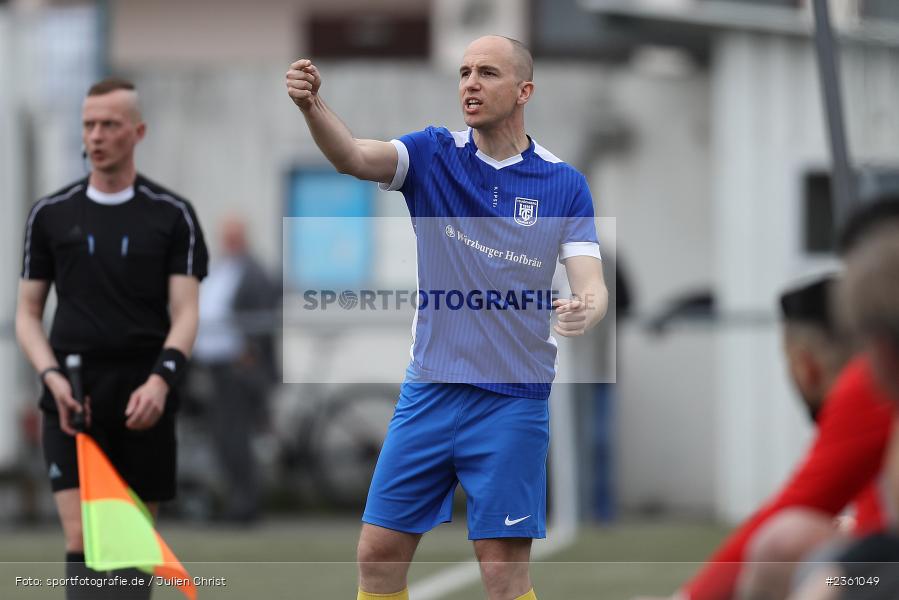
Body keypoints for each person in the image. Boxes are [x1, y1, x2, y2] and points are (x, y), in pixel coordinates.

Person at [286, 35, 608, 600]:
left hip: (511, 402)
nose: (470, 84)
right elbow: (353, 158)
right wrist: (313, 107)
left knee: (502, 573)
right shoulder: (434, 154)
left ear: (524, 90)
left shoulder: (563, 183)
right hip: (429, 393)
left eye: (486, 72)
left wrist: (586, 307)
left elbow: (591, 282)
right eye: (463, 73)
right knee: (377, 555)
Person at [15, 78, 208, 599]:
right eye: (89, 124)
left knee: (129, 547)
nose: (96, 135)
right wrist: (50, 376)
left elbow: (187, 312)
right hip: (71, 396)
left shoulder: (173, 215)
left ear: (137, 131)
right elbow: (27, 315)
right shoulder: (50, 214)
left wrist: (161, 382)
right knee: (82, 539)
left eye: (110, 124)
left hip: (143, 396)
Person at [634, 274, 894, 600]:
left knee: (786, 547)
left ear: (806, 364)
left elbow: (796, 505)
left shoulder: (868, 384)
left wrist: (687, 598)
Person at [191, 215, 279, 522]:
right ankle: (235, 500)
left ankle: (246, 504)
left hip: (239, 368)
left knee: (236, 435)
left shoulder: (253, 272)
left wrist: (249, 352)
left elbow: (263, 318)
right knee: (222, 435)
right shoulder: (222, 269)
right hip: (216, 364)